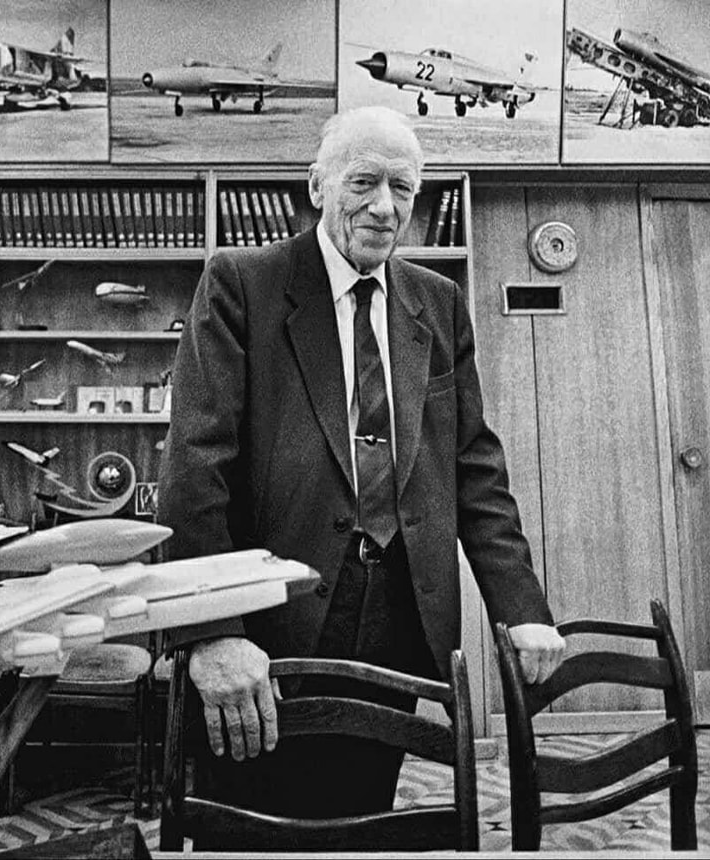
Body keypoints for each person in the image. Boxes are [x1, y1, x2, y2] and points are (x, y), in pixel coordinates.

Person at [157, 105, 565, 817]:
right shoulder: (243, 284)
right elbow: (195, 467)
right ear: (318, 185)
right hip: (268, 627)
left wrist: (522, 609)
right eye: (364, 182)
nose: (384, 207)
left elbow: (474, 467)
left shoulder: (438, 302)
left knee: (362, 818)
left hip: (400, 618)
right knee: (250, 828)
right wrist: (213, 631)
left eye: (402, 188)